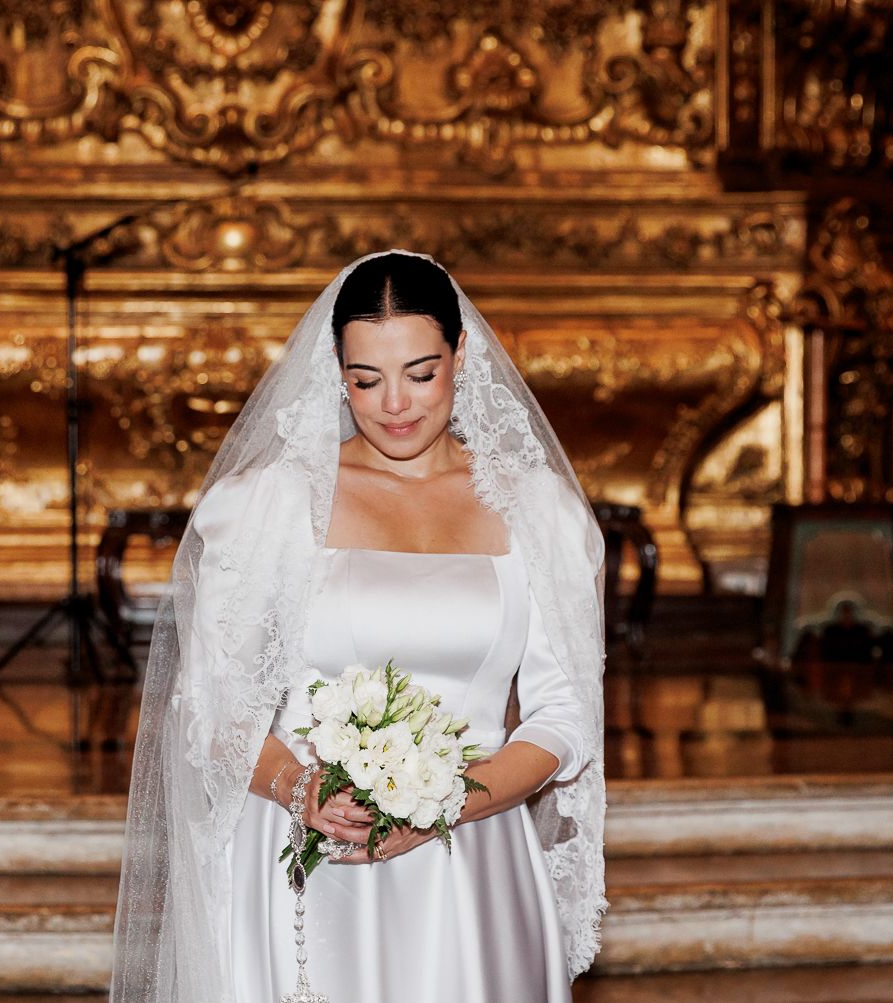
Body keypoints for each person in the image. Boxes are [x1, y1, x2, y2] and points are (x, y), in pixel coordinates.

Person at [110, 250, 607, 1003]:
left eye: (421, 371)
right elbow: (214, 704)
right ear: (336, 372)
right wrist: (298, 783)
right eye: (365, 379)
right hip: (310, 859)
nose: (395, 404)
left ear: (461, 354)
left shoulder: (537, 512)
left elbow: (564, 712)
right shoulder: (271, 506)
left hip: (471, 857)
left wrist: (442, 802)